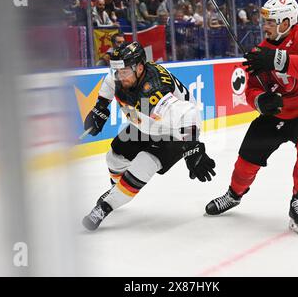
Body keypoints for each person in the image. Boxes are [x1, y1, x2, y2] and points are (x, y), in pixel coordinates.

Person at [205, 0, 298, 235]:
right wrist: (261, 101)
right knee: (247, 158)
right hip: (276, 115)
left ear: (286, 22)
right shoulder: (260, 51)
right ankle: (234, 195)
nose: (266, 26)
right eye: (265, 22)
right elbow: (251, 87)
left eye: (271, 22)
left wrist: (277, 60)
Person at [82, 42, 216, 231]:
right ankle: (116, 190)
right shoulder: (123, 74)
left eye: (125, 72)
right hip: (147, 123)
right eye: (117, 71)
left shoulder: (154, 91)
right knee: (114, 157)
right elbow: (109, 81)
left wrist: (193, 147)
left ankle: (105, 207)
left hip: (175, 131)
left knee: (141, 167)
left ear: (139, 68)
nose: (120, 76)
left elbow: (189, 114)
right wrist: (100, 108)